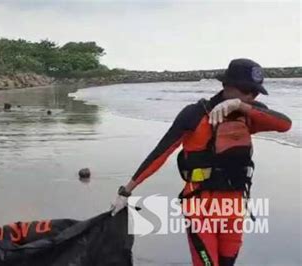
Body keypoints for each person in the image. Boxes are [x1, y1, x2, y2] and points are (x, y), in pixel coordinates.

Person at [110, 58, 292, 266]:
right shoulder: (194, 114)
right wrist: (126, 190)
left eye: (256, 92)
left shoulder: (248, 112)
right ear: (228, 86)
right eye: (247, 90)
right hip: (200, 207)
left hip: (233, 208)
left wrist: (240, 104)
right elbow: (160, 153)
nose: (253, 96)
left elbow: (285, 124)